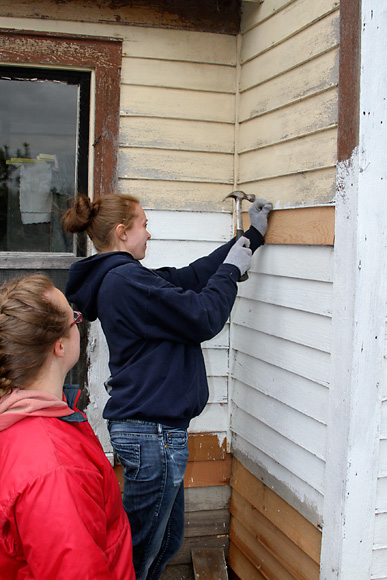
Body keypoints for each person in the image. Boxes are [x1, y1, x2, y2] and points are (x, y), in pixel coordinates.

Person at [61, 193, 272, 580]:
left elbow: (192, 276)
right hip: (151, 434)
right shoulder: (126, 281)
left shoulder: (128, 277)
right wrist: (230, 274)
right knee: (137, 554)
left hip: (157, 432)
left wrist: (249, 238)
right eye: (144, 224)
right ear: (123, 233)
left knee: (167, 542)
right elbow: (203, 316)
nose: (149, 234)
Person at [0, 273, 135, 580]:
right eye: (74, 318)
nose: (80, 321)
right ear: (59, 346)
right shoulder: (55, 469)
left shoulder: (23, 415)